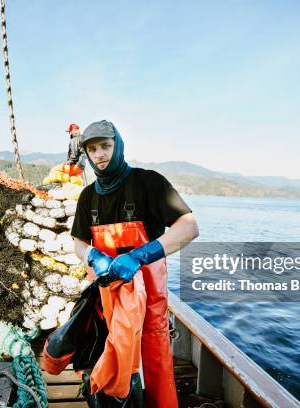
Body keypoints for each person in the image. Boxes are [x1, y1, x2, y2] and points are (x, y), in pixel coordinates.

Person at [71, 120, 199, 407]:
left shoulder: (149, 183)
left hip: (148, 304)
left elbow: (188, 227)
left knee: (153, 369)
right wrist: (93, 256)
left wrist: (139, 256)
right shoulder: (87, 197)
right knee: (112, 370)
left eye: (106, 146)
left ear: (118, 146)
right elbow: (78, 243)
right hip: (108, 303)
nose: (100, 154)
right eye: (93, 149)